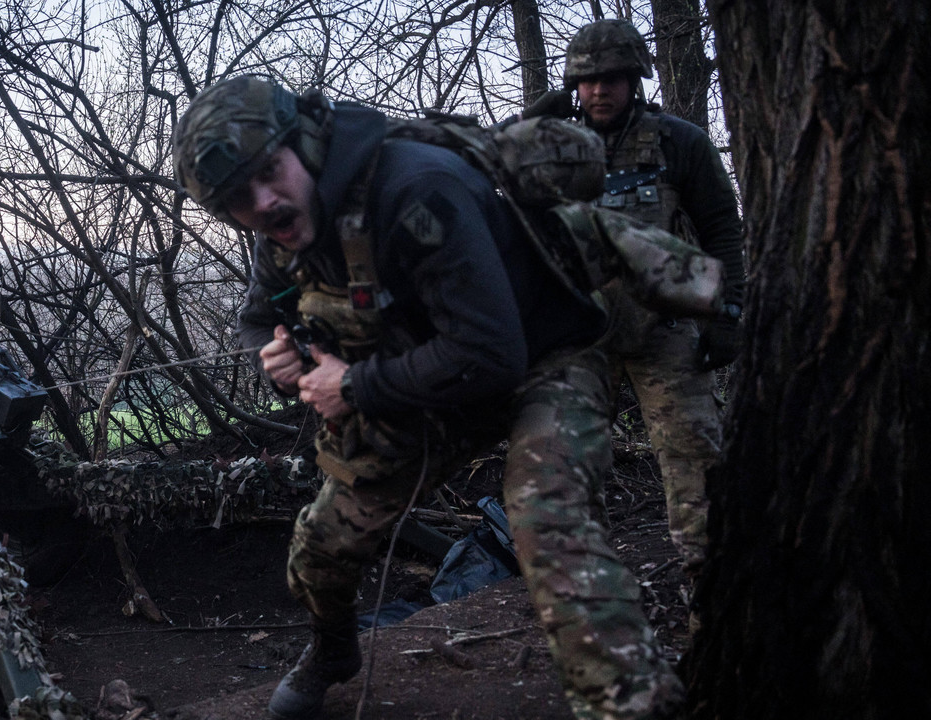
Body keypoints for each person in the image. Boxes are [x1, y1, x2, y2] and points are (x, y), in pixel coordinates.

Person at [172, 76, 683, 720]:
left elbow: (493, 356)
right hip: (425, 390)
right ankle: (333, 653)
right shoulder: (282, 229)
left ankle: (633, 703)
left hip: (541, 363)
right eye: (236, 199)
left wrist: (352, 385)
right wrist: (279, 354)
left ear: (304, 142)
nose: (263, 201)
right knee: (320, 549)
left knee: (548, 527)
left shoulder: (416, 188)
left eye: (269, 171)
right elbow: (257, 317)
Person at [561, 19, 745, 587]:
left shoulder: (677, 141)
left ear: (634, 78)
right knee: (565, 471)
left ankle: (711, 599)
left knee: (695, 466)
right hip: (580, 335)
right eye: (587, 80)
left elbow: (721, 227)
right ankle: (587, 603)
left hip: (665, 328)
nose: (599, 90)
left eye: (612, 77)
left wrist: (727, 311)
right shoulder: (551, 147)